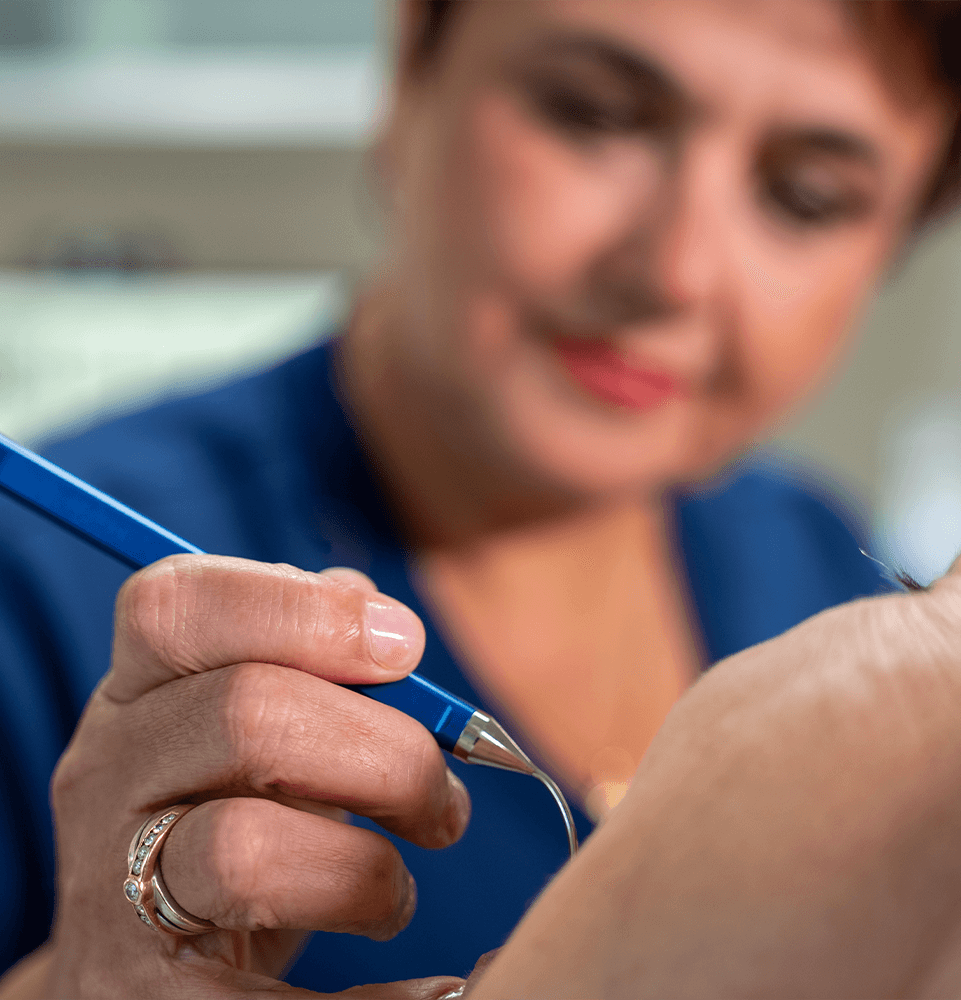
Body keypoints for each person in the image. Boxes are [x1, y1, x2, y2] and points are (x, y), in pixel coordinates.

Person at [0, 0, 958, 995]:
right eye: (592, 113)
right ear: (412, 65)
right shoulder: (39, 590)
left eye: (805, 197)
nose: (673, 271)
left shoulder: (815, 558)